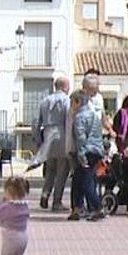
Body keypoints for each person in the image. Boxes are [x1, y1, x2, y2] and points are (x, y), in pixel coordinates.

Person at [34, 75, 72, 211]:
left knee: (50, 169)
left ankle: (45, 194)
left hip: (47, 134)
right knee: (62, 170)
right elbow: (69, 119)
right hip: (61, 135)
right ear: (65, 86)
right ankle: (57, 201)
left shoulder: (44, 100)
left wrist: (38, 140)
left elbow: (36, 122)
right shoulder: (66, 100)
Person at [68, 91, 106, 222]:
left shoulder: (79, 117)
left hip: (86, 151)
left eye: (72, 102)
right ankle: (77, 209)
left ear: (78, 102)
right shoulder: (93, 115)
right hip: (96, 150)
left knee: (86, 182)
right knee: (78, 180)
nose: (70, 105)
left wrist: (81, 155)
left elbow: (80, 138)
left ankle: (98, 207)